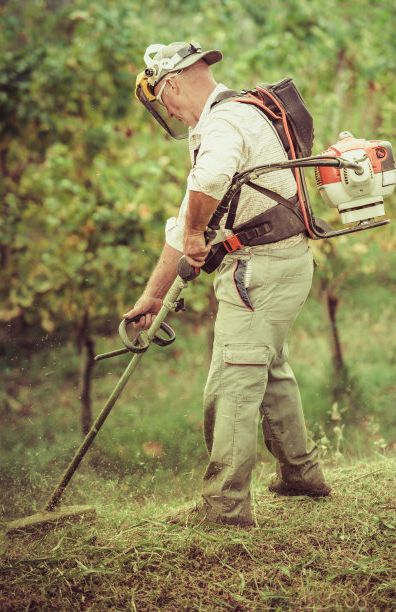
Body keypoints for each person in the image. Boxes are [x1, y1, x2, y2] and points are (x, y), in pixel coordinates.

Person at [127, 41, 331, 527]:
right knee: (270, 368)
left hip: (258, 271)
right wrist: (153, 296)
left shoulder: (222, 124)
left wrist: (197, 233)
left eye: (162, 98)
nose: (168, 111)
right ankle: (301, 475)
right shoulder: (235, 114)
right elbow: (187, 219)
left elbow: (208, 187)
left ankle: (225, 509)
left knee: (232, 382)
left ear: (170, 83)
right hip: (282, 266)